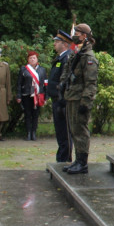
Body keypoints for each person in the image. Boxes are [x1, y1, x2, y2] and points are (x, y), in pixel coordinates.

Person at [61, 24, 98, 174]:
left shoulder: (88, 57)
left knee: (80, 130)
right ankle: (78, 160)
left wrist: (86, 102)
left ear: (84, 35)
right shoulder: (78, 53)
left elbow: (91, 83)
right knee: (74, 129)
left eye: (77, 32)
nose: (74, 35)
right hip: (72, 96)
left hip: (80, 99)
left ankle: (83, 162)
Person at [46, 31, 73, 164]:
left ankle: (64, 160)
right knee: (61, 133)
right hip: (57, 100)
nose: (54, 44)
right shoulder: (59, 59)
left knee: (65, 133)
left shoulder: (67, 58)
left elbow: (66, 81)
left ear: (64, 44)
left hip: (63, 101)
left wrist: (62, 100)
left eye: (57, 42)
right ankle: (61, 158)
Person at [17, 51, 47, 141]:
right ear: (28, 59)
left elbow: (45, 83)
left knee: (35, 114)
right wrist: (18, 95)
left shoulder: (42, 70)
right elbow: (19, 83)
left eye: (34, 58)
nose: (32, 59)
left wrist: (46, 96)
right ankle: (28, 133)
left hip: (38, 96)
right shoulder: (24, 69)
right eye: (30, 58)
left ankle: (34, 132)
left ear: (37, 59)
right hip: (27, 95)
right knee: (27, 114)